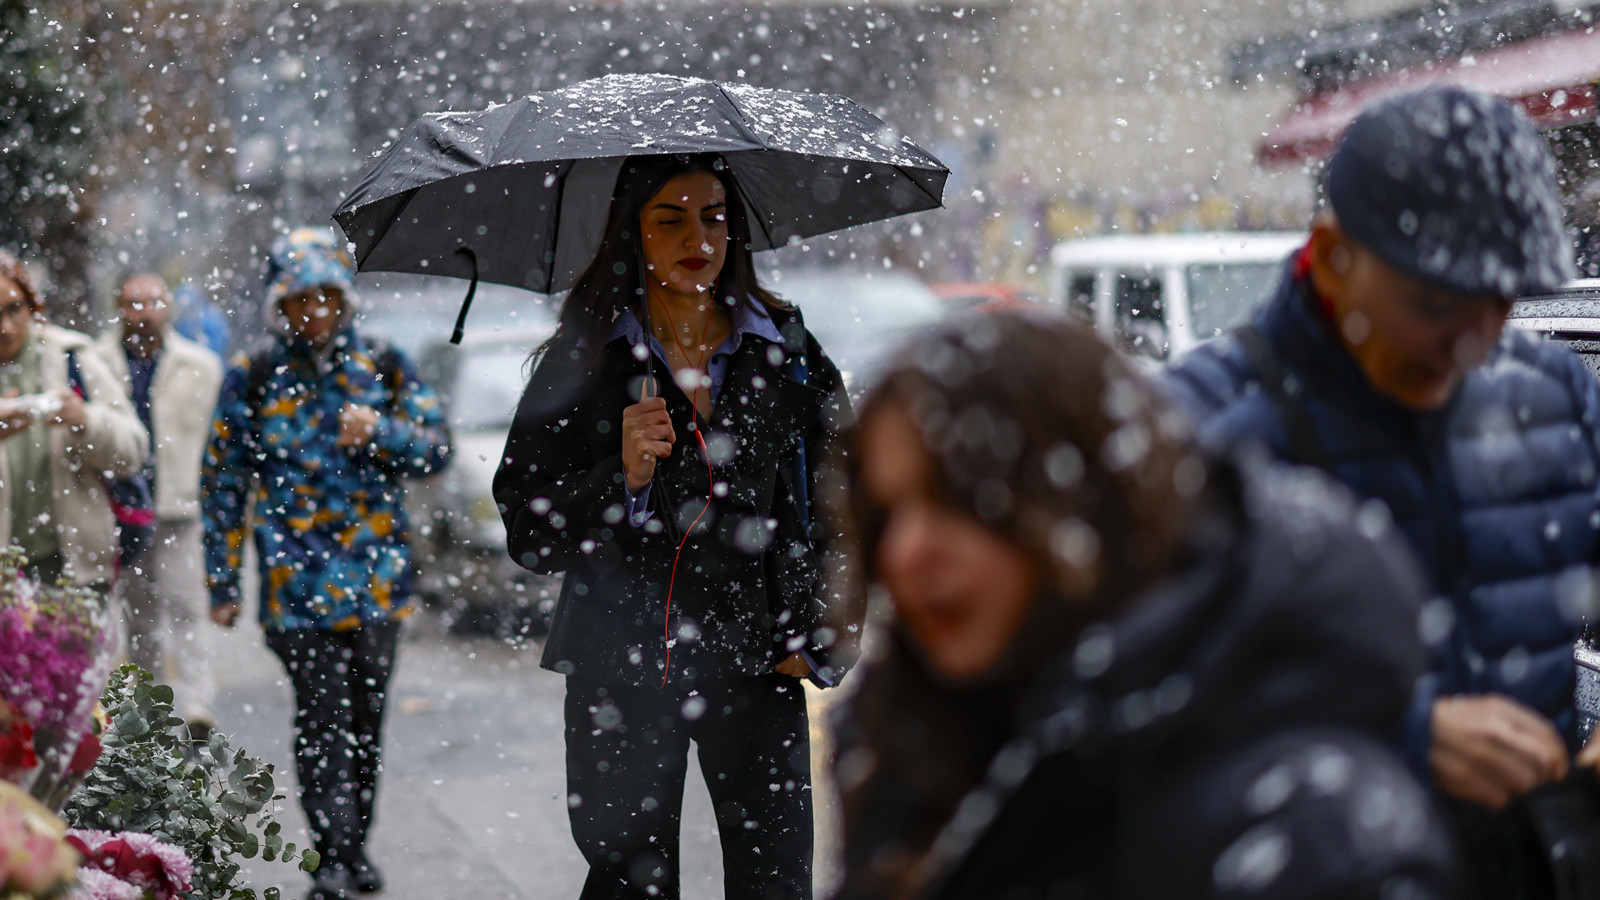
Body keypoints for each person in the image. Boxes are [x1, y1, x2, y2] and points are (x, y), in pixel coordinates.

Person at [833, 312, 1457, 899]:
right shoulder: (913, 751)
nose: (906, 551)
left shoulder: (1302, 829)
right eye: (887, 513)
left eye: (956, 497)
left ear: (1084, 499)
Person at [1164, 85, 1592, 897]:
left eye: (1499, 307)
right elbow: (1143, 723)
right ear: (1331, 256)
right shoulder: (1200, 430)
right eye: (1434, 305)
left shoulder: (1556, 394)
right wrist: (1402, 737)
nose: (1472, 346)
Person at [493, 153, 856, 900]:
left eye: (714, 216)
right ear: (633, 234)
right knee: (630, 884)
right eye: (671, 217)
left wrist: (823, 631)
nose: (700, 235)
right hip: (619, 670)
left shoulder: (784, 349)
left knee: (775, 882)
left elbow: (849, 501)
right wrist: (617, 477)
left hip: (758, 664)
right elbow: (529, 531)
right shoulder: (586, 358)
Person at [201, 228, 452, 900]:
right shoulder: (253, 378)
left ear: (344, 301)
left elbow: (437, 450)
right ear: (279, 305)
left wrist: (383, 433)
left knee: (366, 722)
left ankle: (354, 845)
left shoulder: (385, 365)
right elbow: (223, 483)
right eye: (298, 299)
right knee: (322, 720)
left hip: (377, 583)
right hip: (295, 588)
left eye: (324, 298)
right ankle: (332, 857)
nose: (312, 312)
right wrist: (221, 580)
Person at [95, 272, 223, 737]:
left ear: (167, 306)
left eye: (152, 302)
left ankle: (196, 706)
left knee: (188, 606)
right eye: (133, 303)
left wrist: (212, 490)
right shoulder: (97, 362)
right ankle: (152, 710)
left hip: (178, 506)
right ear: (119, 307)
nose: (143, 312)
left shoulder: (201, 366)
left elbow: (216, 438)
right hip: (125, 509)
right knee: (140, 616)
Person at [0, 249, 146, 587]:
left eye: (14, 309)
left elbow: (133, 451)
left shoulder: (71, 358)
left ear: (31, 305)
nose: (6, 327)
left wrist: (85, 421)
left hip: (72, 569)